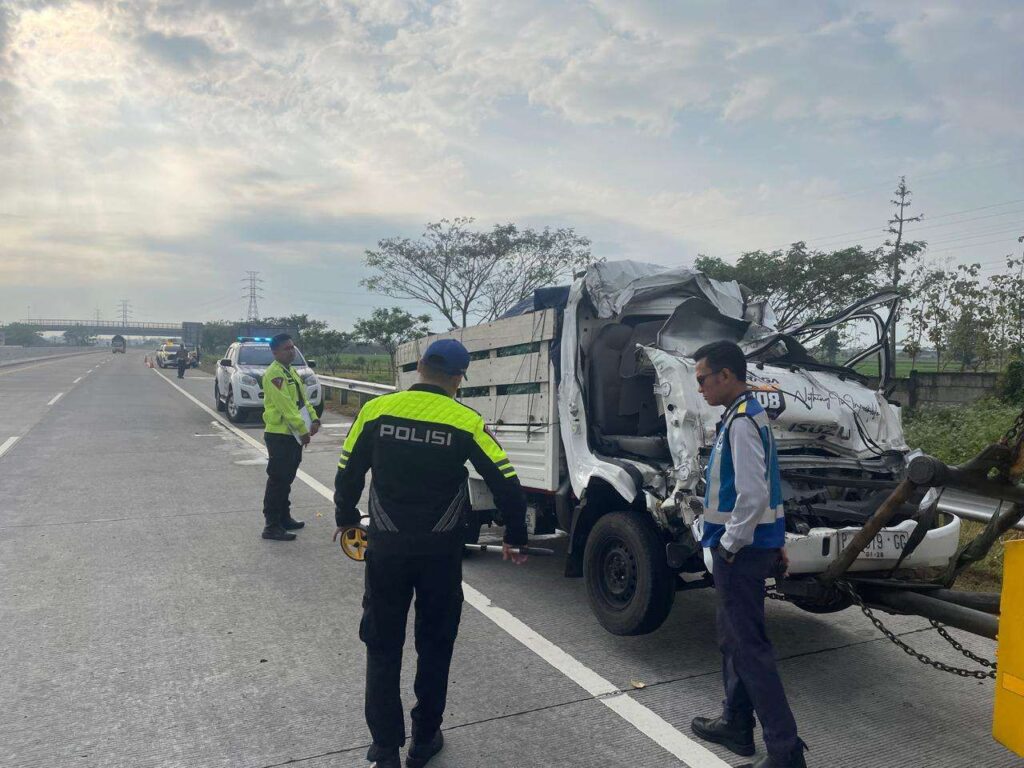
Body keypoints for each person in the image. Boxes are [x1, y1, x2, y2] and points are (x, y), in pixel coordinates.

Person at [333, 338, 528, 768]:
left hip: (386, 549)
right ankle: (423, 740)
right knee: (436, 645)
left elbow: (348, 469)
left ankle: (384, 747)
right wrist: (515, 535)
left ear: (419, 367)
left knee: (382, 645)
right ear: (459, 379)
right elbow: (506, 481)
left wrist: (346, 516)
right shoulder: (465, 420)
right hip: (440, 555)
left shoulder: (377, 411)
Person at [689, 340, 808, 768]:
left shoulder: (741, 421)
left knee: (749, 649)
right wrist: (775, 541)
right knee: (734, 641)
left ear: (725, 376)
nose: (699, 386)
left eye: (702, 378)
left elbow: (753, 495)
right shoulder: (745, 415)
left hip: (739, 553)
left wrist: (728, 544)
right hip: (754, 547)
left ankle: (785, 751)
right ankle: (737, 724)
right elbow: (773, 486)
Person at [261, 333, 320, 541]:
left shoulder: (291, 372)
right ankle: (271, 524)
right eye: (287, 348)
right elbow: (286, 407)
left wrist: (314, 419)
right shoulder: (274, 375)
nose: (291, 351)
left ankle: (284, 517)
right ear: (275, 352)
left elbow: (303, 400)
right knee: (278, 480)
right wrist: (302, 430)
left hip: (292, 435)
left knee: (287, 478)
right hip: (280, 435)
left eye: (293, 347)